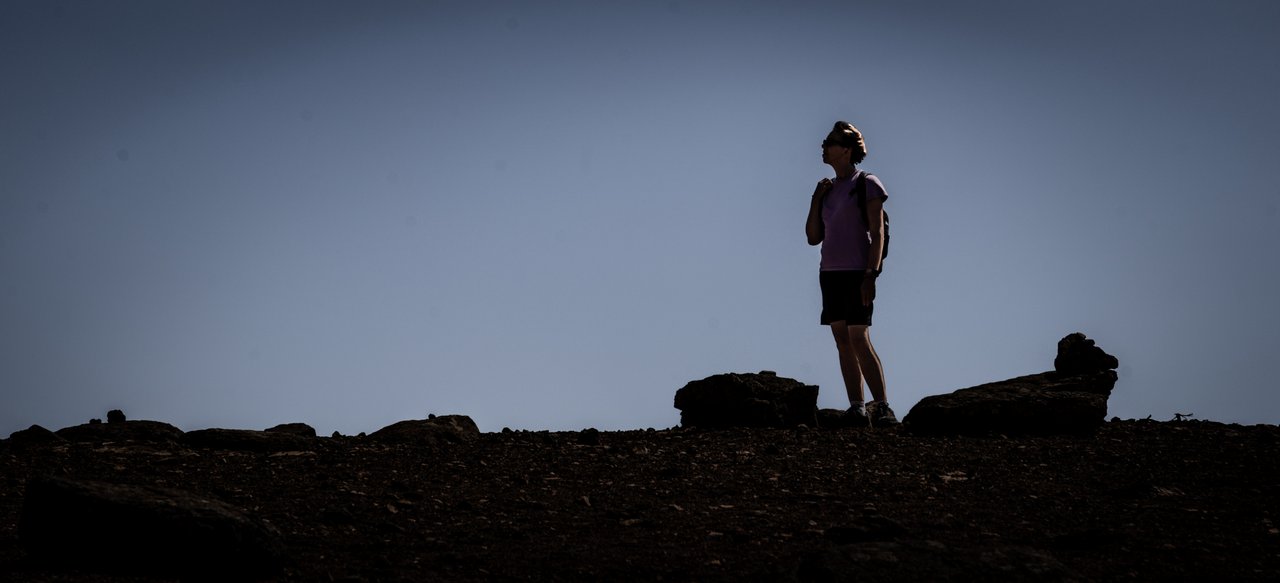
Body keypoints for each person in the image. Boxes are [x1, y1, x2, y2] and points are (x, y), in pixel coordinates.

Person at [805, 121, 899, 427]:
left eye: (829, 143)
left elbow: (877, 232)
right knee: (841, 339)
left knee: (859, 337)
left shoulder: (867, 183)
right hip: (830, 272)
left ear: (846, 150)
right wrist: (816, 198)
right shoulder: (828, 191)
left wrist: (872, 273)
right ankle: (858, 407)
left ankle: (882, 407)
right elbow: (813, 236)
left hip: (858, 271)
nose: (824, 147)